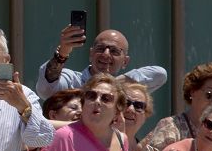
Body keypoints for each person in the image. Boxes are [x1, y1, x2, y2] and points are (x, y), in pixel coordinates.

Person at [35, 27, 166, 100]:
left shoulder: (127, 88)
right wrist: (62, 54)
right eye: (100, 49)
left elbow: (160, 75)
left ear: (125, 61)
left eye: (114, 51)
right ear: (91, 54)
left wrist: (113, 83)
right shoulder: (72, 81)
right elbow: (46, 89)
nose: (106, 54)